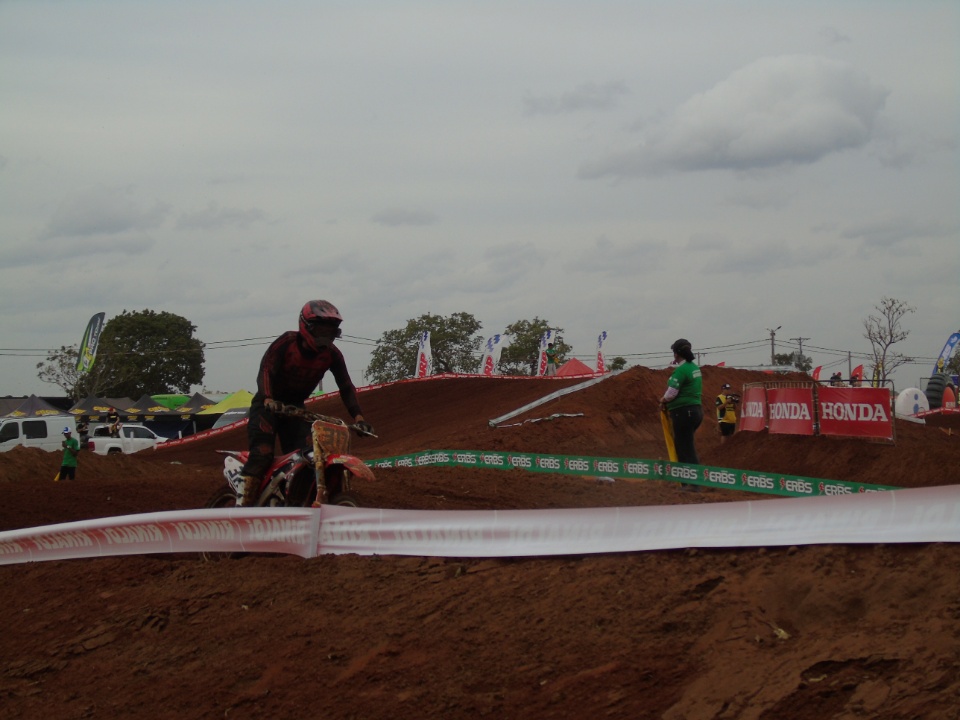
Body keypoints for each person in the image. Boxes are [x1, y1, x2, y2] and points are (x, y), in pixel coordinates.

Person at [239, 299, 373, 506]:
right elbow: (266, 369)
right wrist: (267, 398)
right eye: (320, 330)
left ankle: (293, 503)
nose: (324, 336)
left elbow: (346, 385)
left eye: (329, 331)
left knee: (307, 460)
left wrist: (359, 417)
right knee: (262, 455)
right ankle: (241, 507)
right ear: (306, 326)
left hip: (295, 409)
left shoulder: (332, 355)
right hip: (268, 406)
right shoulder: (287, 343)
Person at [659, 338, 703, 489]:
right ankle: (686, 482)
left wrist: (663, 400)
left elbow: (671, 393)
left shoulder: (681, 370)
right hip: (696, 411)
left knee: (685, 447)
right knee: (683, 445)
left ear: (677, 354)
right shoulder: (694, 368)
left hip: (684, 413)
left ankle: (693, 483)